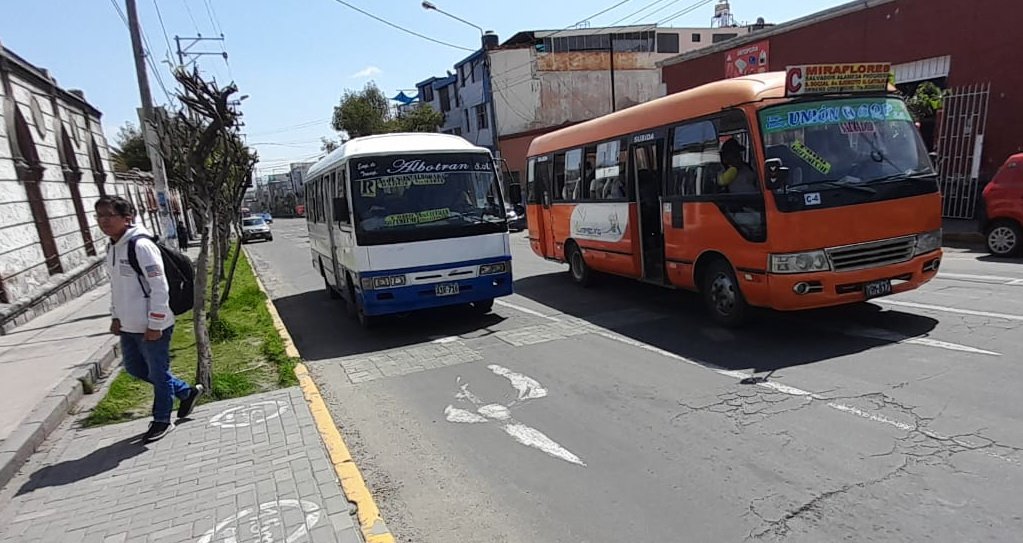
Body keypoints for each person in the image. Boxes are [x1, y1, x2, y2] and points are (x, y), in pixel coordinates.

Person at [95, 195, 203, 443]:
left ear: (127, 218)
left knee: (159, 372)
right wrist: (115, 316)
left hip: (154, 325)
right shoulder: (112, 246)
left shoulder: (140, 246)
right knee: (136, 369)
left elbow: (159, 287)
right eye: (99, 216)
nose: (103, 221)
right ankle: (186, 393)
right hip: (128, 325)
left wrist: (155, 324)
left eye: (109, 215)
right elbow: (118, 287)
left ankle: (162, 420)